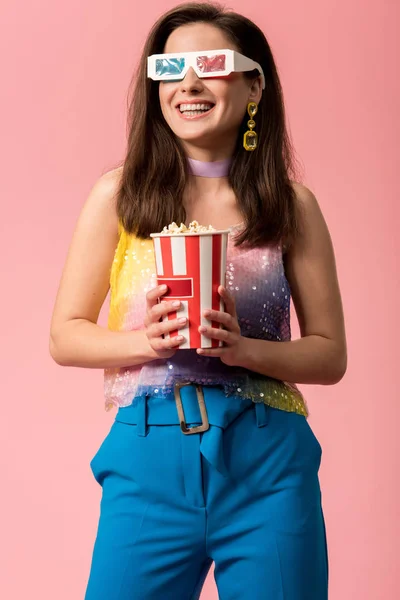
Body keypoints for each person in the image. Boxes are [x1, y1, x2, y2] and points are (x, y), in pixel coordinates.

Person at [49, 2, 347, 598]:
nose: (187, 83)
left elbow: (328, 355)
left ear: (253, 84)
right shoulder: (120, 195)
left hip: (268, 462)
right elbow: (66, 334)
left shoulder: (291, 206)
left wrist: (244, 350)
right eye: (170, 67)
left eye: (210, 64)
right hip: (146, 453)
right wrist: (146, 341)